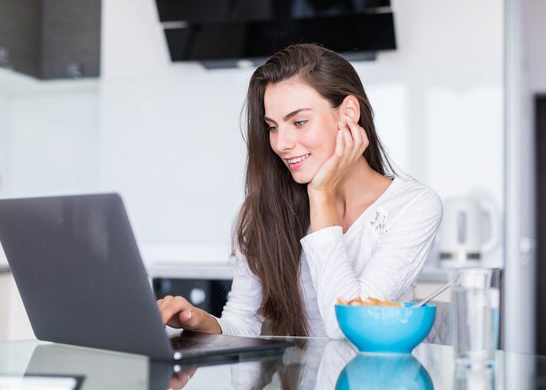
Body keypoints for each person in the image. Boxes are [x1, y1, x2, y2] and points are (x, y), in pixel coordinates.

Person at [157, 43, 442, 338]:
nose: (281, 144)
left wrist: (321, 196)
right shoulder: (263, 210)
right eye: (272, 127)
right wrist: (197, 321)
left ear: (348, 113)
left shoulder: (414, 207)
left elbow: (345, 328)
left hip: (368, 382)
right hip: (295, 385)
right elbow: (242, 323)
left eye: (299, 122)